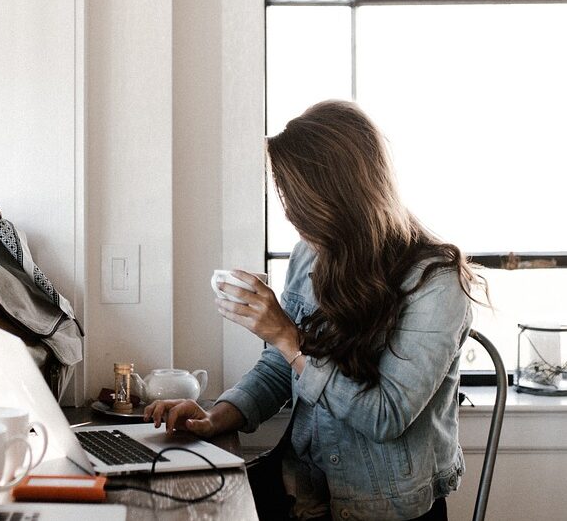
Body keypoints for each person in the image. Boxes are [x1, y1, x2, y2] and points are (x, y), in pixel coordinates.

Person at [144, 100, 487, 521]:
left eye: (298, 201)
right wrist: (218, 416)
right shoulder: (311, 255)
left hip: (384, 507)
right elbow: (280, 368)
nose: (290, 214)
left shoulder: (436, 282)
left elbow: (386, 416)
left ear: (340, 197)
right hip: (303, 488)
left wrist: (289, 336)